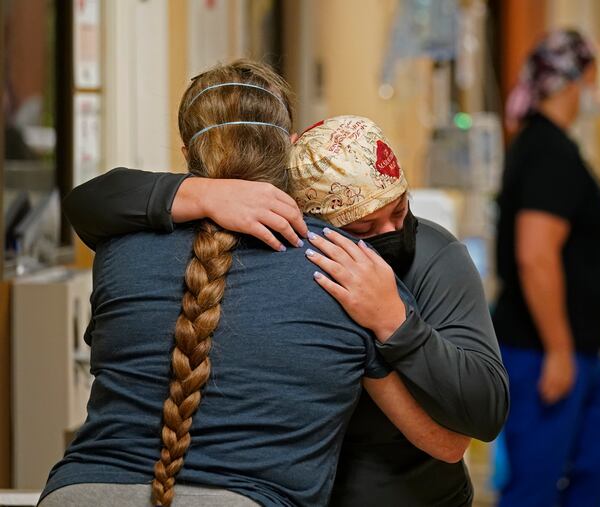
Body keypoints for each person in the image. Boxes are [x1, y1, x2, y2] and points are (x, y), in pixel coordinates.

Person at [39, 61, 471, 507]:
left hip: (78, 493)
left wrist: (197, 194)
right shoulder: (342, 266)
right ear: (288, 147)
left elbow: (90, 201)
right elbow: (445, 443)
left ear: (188, 150)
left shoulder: (120, 249)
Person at [493, 29, 600, 507]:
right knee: (535, 482)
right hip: (541, 347)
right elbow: (535, 255)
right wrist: (559, 349)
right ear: (580, 78)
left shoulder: (551, 145)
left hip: (575, 346)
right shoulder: (548, 152)